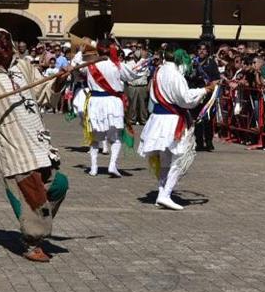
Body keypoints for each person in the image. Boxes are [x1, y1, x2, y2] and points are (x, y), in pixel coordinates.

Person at [0, 28, 69, 263]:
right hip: (15, 149)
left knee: (59, 185)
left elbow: (44, 94)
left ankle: (35, 225)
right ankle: (32, 242)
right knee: (33, 197)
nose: (4, 44)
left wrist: (58, 82)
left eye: (7, 39)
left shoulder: (23, 67)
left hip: (39, 144)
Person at [138, 45, 217, 211]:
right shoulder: (175, 75)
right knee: (180, 159)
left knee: (165, 159)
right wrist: (205, 90)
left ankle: (162, 192)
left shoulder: (158, 71)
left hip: (158, 120)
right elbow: (185, 99)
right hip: (172, 120)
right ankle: (165, 194)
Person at [80, 38, 135, 178]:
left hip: (95, 102)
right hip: (112, 102)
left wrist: (83, 52)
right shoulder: (117, 65)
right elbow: (132, 75)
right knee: (115, 137)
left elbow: (76, 67)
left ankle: (94, 168)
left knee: (95, 138)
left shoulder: (89, 65)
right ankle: (112, 165)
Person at [191, 43, 220, 151]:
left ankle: (208, 141)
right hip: (197, 92)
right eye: (199, 49)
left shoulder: (211, 63)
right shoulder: (193, 63)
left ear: (207, 52)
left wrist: (211, 86)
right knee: (197, 119)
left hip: (208, 94)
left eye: (204, 50)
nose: (201, 51)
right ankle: (199, 142)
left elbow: (217, 78)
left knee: (208, 118)